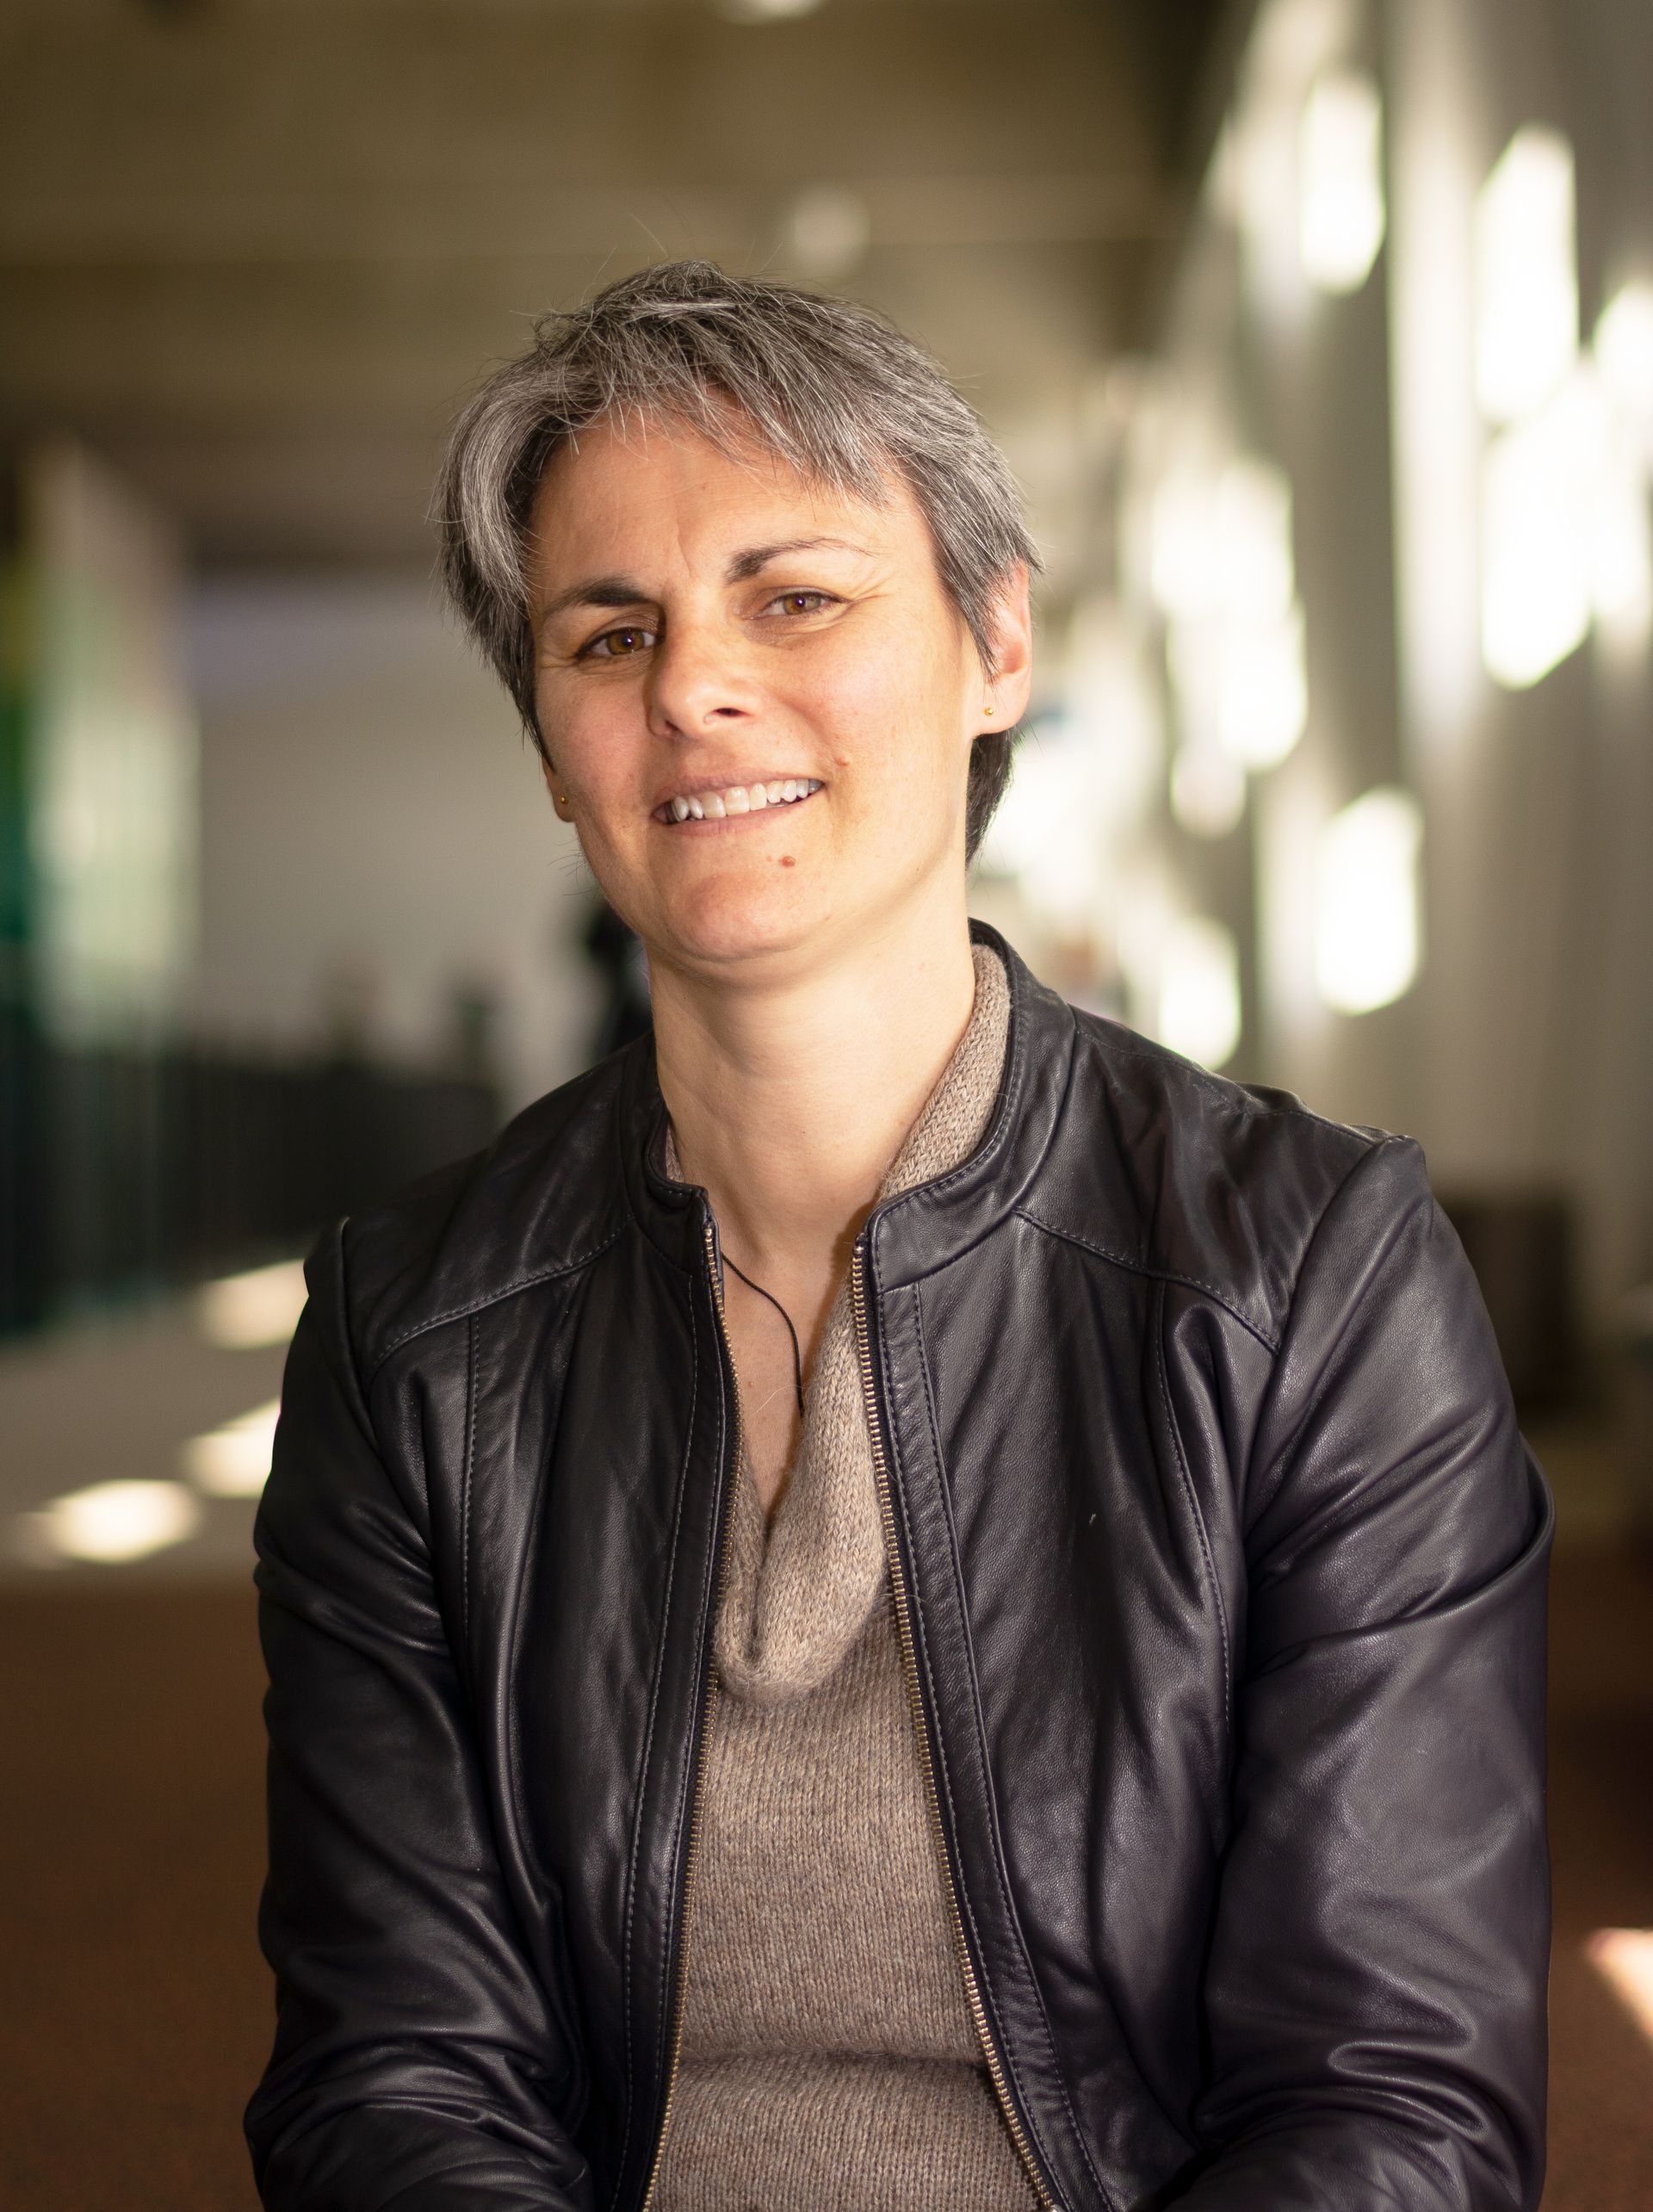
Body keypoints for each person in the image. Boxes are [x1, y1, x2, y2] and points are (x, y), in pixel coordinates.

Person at [245, 261, 1551, 2212]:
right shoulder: (411, 1333)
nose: (694, 683)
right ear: (553, 746)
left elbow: (1391, 2100)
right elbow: (398, 2082)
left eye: (797, 596)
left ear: (998, 639)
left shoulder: (1308, 1280)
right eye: (611, 635)